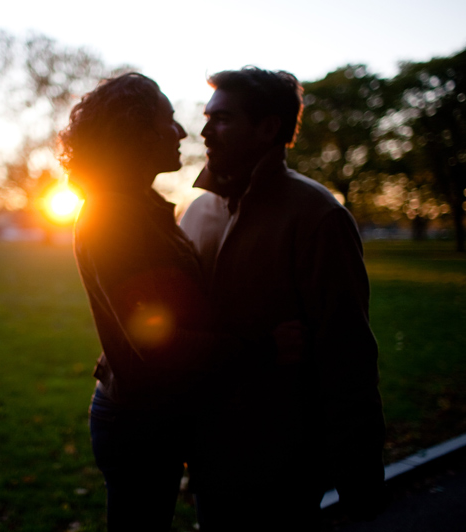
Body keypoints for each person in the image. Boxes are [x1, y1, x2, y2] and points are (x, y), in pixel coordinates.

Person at [58, 73, 299, 531]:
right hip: (138, 423)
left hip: (154, 416)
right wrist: (262, 347)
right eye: (167, 120)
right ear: (133, 132)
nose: (183, 133)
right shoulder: (113, 215)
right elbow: (158, 342)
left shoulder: (139, 205)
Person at [179, 66, 387, 530]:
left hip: (284, 462)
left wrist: (359, 475)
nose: (205, 129)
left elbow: (347, 351)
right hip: (207, 453)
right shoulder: (195, 211)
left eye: (224, 118)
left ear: (269, 127)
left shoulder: (318, 216)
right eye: (208, 116)